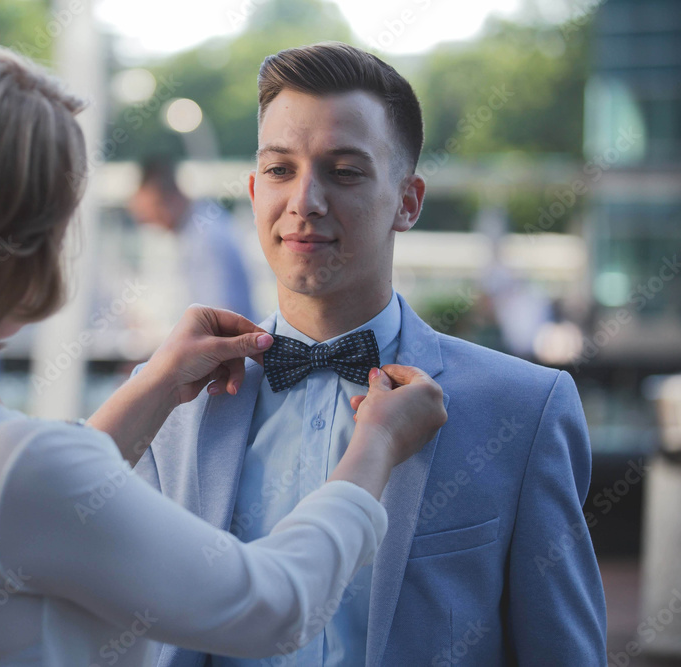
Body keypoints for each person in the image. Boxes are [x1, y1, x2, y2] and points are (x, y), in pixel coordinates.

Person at [0, 32, 448, 667]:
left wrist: (152, 385)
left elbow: (30, 512)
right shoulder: (18, 473)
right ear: (15, 243)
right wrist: (375, 451)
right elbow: (277, 603)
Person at [132, 42, 608, 666]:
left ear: (408, 201)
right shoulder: (170, 401)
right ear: (253, 192)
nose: (305, 201)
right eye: (280, 170)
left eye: (345, 171)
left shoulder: (524, 410)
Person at [128, 156, 258, 321]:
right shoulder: (198, 230)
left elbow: (222, 315)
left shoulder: (206, 239)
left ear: (169, 199)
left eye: (152, 214)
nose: (154, 225)